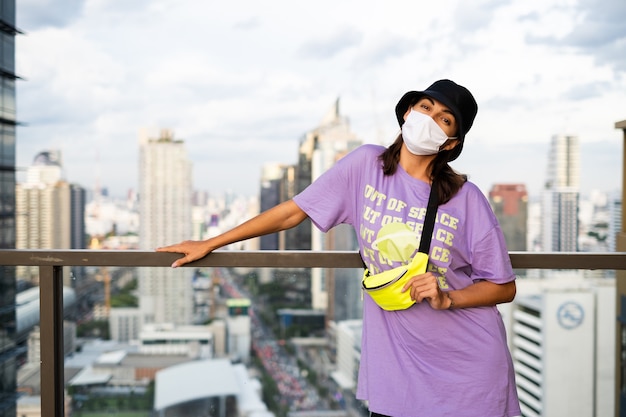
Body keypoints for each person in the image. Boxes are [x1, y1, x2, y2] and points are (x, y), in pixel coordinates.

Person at [157, 79, 521, 417]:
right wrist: (210, 242)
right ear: (408, 112)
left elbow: (503, 286)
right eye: (425, 107)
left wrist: (448, 298)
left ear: (451, 143)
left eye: (444, 119)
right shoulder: (366, 166)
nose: (429, 119)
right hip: (397, 367)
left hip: (468, 371)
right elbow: (291, 213)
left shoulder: (465, 198)